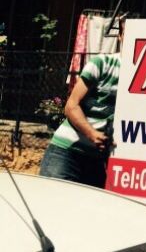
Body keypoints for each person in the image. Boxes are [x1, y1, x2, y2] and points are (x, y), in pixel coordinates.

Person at [39, 20, 124, 188]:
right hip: (66, 152)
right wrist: (92, 133)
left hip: (98, 160)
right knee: (52, 200)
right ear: (120, 36)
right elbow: (71, 106)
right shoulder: (103, 63)